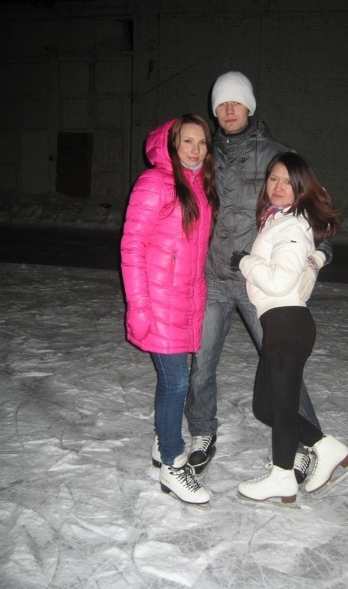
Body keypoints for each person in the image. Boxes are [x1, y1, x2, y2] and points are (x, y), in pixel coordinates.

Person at [184, 71, 332, 482]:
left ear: (249, 106)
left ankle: (306, 447)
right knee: (201, 365)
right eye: (221, 104)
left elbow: (317, 214)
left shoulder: (277, 155)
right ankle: (202, 431)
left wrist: (318, 257)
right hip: (213, 278)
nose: (229, 110)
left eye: (237, 102)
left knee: (281, 366)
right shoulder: (204, 154)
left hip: (258, 283)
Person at [234, 151, 348, 503]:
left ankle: (282, 476)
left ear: (301, 187)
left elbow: (279, 280)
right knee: (265, 407)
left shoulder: (292, 224)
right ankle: (326, 447)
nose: (278, 186)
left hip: (286, 324)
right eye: (274, 178)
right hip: (280, 325)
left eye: (288, 181)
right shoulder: (278, 219)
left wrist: (245, 262)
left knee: (283, 408)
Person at [120, 114, 219, 507]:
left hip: (185, 299)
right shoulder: (154, 182)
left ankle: (162, 445)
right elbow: (132, 246)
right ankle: (173, 464)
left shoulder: (200, 185)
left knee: (173, 381)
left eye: (202, 142)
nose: (195, 149)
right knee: (177, 382)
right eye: (187, 141)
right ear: (172, 144)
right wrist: (138, 304)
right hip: (157, 300)